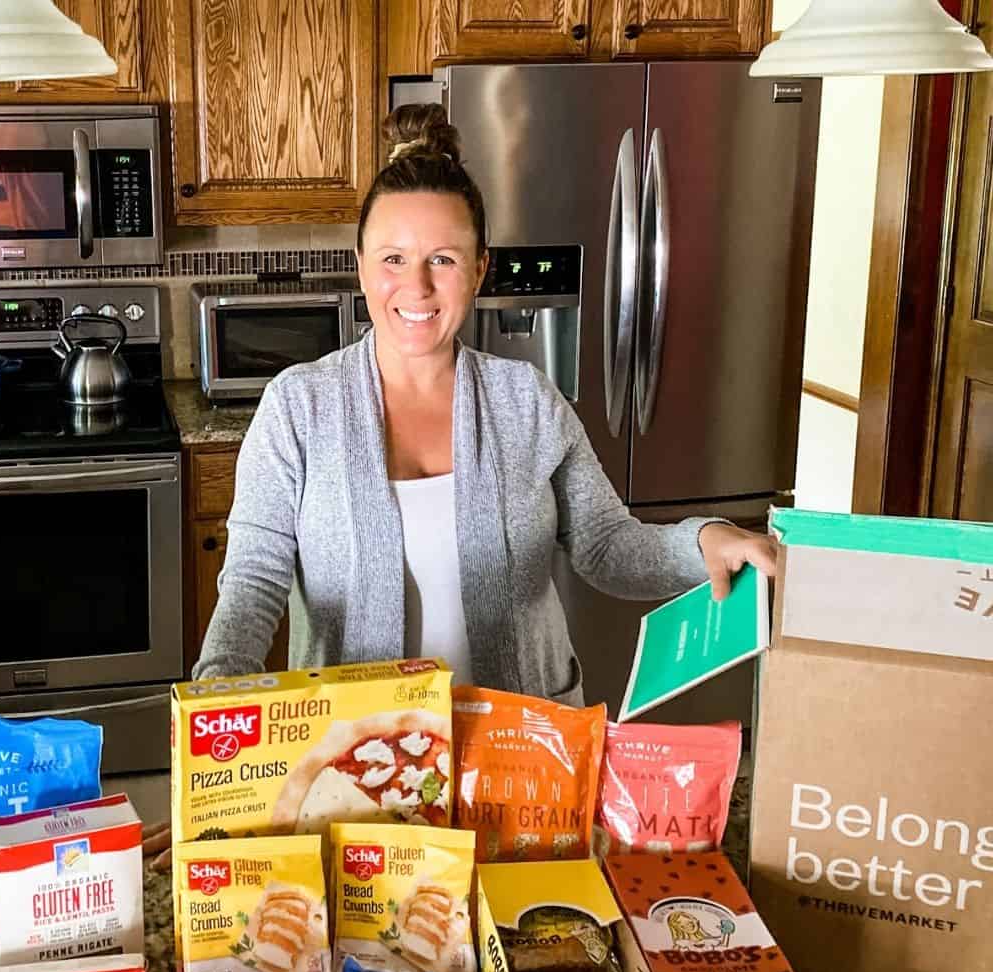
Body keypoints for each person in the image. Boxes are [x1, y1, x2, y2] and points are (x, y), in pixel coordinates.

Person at [142, 103, 775, 864]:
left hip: (523, 764)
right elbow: (253, 583)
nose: (417, 285)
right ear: (360, 263)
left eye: (443, 259)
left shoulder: (526, 400)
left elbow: (608, 545)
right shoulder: (299, 407)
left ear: (479, 268)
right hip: (359, 776)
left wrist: (702, 539)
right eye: (393, 258)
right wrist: (215, 722)